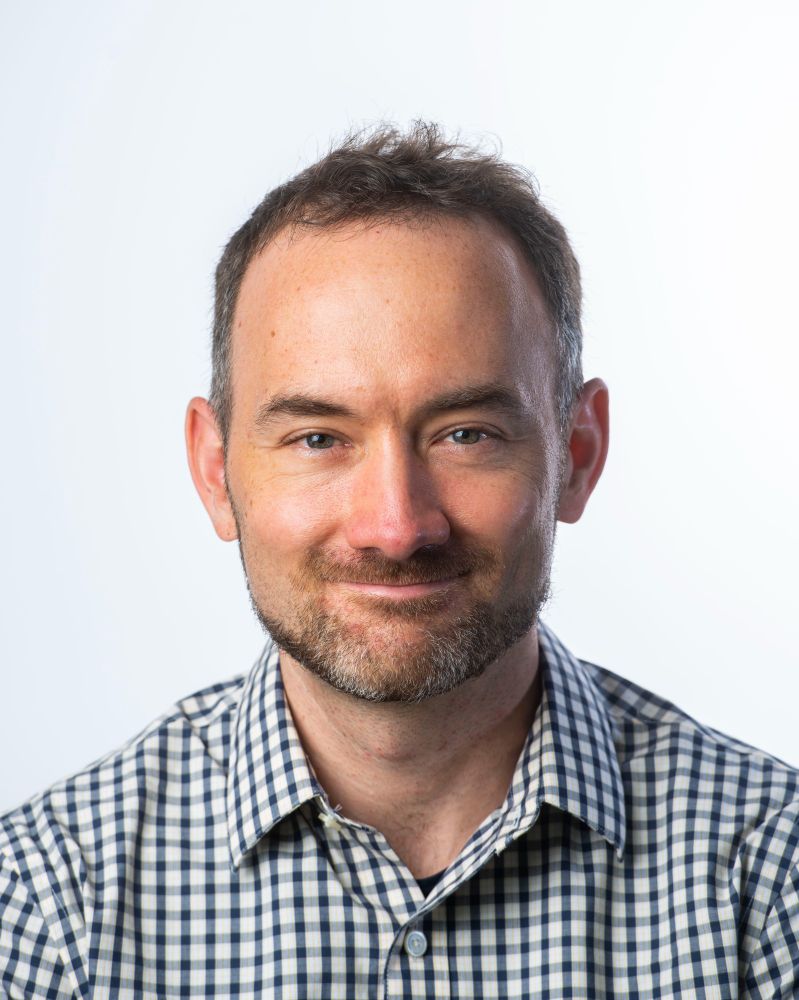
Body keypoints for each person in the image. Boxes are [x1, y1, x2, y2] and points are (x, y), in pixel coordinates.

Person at [1, 123, 797, 1000]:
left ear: (576, 452)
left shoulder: (768, 883)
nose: (396, 525)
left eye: (465, 434)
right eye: (317, 437)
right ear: (213, 470)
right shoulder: (47, 910)